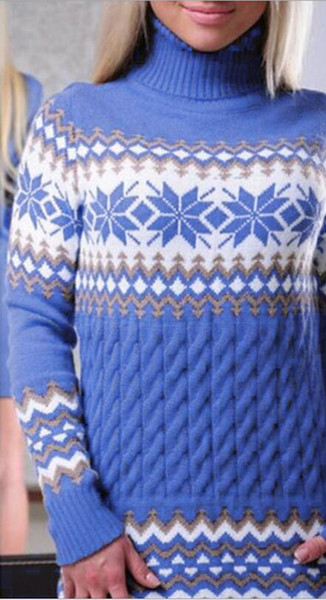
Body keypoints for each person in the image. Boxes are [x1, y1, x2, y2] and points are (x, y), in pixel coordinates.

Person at [4, 1, 326, 598]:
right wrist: (74, 508)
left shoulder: (318, 127)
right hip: (123, 564)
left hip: (300, 558)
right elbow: (35, 323)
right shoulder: (73, 126)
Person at [0, 1, 43, 555]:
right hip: (6, 299)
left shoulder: (24, 96)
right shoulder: (21, 95)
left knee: (8, 465)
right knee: (8, 467)